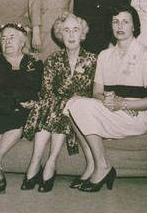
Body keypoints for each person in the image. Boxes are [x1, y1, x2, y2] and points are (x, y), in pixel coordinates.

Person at [67, 6, 147, 192]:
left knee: (79, 106)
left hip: (139, 114)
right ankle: (93, 165)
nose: (120, 26)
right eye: (115, 21)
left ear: (134, 26)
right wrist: (114, 102)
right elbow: (96, 93)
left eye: (125, 21)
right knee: (72, 103)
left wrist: (125, 103)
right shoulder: (104, 55)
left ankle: (102, 167)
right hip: (112, 108)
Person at [22, 12, 97, 192]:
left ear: (83, 34)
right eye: (66, 30)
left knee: (65, 106)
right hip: (55, 111)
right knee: (52, 104)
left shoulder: (94, 60)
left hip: (80, 113)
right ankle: (37, 163)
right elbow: (46, 92)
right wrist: (61, 104)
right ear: (60, 35)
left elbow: (95, 94)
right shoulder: (53, 60)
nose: (71, 35)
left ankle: (49, 163)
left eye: (75, 30)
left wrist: (70, 103)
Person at [0, 23, 43, 193]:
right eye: (3, 38)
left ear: (22, 41)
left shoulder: (35, 63)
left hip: (22, 109)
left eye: (12, 37)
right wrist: (1, 104)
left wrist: (34, 103)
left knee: (18, 116)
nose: (7, 41)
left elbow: (42, 94)